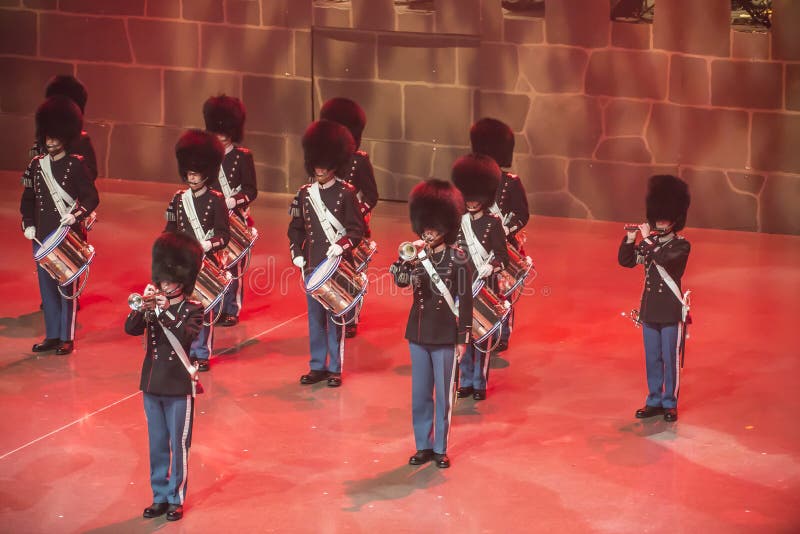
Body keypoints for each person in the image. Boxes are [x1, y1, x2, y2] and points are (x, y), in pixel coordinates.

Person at [390, 179, 473, 469]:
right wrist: (403, 262)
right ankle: (422, 445)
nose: (428, 232)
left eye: (434, 228)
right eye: (425, 227)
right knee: (420, 394)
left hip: (446, 335)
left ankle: (440, 447)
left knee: (444, 398)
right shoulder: (415, 255)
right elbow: (400, 283)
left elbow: (466, 300)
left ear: (445, 228)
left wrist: (463, 338)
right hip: (419, 332)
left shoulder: (459, 258)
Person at [125, 231, 205, 522]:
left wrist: (164, 310)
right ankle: (159, 496)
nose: (165, 284)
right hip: (152, 384)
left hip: (178, 385)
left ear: (183, 280)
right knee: (157, 443)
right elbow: (130, 329)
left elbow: (185, 337)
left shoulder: (194, 309)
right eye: (162, 280)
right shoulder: (154, 301)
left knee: (178, 444)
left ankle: (176, 497)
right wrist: (144, 306)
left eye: (170, 280)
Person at [20, 95, 99, 356]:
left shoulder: (75, 164)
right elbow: (28, 199)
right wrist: (28, 224)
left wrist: (76, 215)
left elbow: (91, 197)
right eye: (47, 137)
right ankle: (52, 335)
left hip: (67, 235)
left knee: (67, 290)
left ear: (65, 136)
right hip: (42, 236)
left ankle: (67, 337)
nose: (50, 142)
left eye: (55, 137)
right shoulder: (36, 165)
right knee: (47, 289)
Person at [288, 120, 364, 388]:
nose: (319, 169)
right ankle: (317, 365)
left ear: (335, 164)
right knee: (315, 319)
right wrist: (296, 252)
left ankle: (335, 368)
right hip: (312, 265)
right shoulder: (304, 194)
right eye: (316, 164)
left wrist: (341, 245)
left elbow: (357, 230)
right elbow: (295, 229)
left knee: (336, 318)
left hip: (338, 264)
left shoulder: (346, 193)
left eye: (324, 164)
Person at [618, 175, 691, 423]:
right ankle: (654, 400)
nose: (660, 221)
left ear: (675, 220)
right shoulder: (652, 243)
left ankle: (670, 402)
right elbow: (627, 261)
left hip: (670, 310)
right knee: (652, 357)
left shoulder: (681, 246)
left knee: (670, 359)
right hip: (650, 310)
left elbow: (663, 259)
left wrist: (647, 238)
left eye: (665, 217)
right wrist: (630, 238)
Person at [165, 130, 228, 372]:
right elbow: (169, 228)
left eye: (196, 173)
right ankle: (186, 349)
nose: (191, 177)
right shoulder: (179, 199)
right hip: (183, 262)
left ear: (206, 174)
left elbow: (224, 235)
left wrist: (208, 244)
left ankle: (201, 353)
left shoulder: (215, 200)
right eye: (189, 173)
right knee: (182, 308)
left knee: (204, 309)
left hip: (206, 261)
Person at [319, 97, 379, 338]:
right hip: (328, 228)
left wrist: (356, 214)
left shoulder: (360, 160)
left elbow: (372, 196)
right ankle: (333, 311)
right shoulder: (324, 160)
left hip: (351, 229)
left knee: (350, 274)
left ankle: (350, 316)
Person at [452, 154, 509, 401]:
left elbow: (503, 257)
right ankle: (464, 380)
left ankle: (479, 381)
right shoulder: (457, 220)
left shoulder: (493, 222)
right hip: (462, 284)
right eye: (469, 197)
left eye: (477, 198)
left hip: (484, 285)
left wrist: (492, 266)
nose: (472, 202)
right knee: (463, 333)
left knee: (482, 336)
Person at [470, 118, 530, 352]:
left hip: (503, 245)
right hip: (477, 245)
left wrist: (507, 228)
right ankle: (482, 327)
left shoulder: (511, 183)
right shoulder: (472, 181)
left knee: (502, 290)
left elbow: (522, 213)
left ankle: (503, 332)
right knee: (478, 288)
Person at [203, 94, 258, 327]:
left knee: (233, 266)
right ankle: (212, 302)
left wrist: (234, 201)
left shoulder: (242, 156)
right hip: (210, 217)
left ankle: (231, 308)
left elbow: (251, 190)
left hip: (234, 217)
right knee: (211, 263)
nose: (222, 134)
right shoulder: (206, 152)